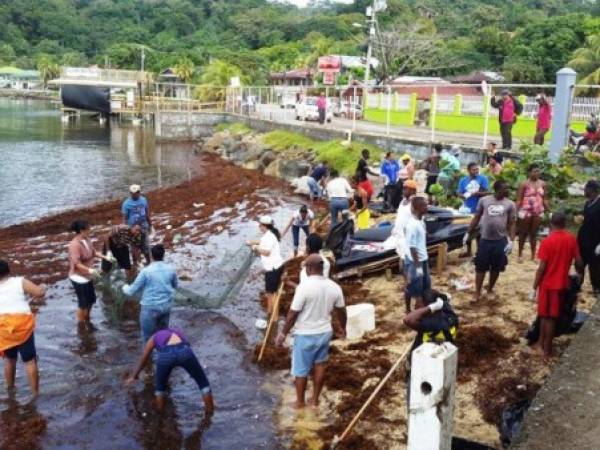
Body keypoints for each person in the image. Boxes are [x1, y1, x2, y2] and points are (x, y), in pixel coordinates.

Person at [275, 254, 347, 409]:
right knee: (319, 365)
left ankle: (300, 402)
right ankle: (314, 401)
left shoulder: (304, 288)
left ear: (309, 268)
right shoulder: (334, 287)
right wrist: (343, 328)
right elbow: (342, 311)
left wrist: (282, 334)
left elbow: (292, 314)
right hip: (324, 333)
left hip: (305, 334)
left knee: (300, 370)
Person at [125, 328, 215, 413]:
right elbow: (187, 349)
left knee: (160, 390)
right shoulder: (178, 332)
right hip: (184, 351)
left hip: (166, 355)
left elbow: (144, 358)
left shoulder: (154, 337)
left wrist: (134, 376)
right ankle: (209, 414)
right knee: (203, 384)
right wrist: (193, 372)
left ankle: (159, 416)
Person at [532, 212, 583, 361]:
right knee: (546, 315)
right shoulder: (571, 239)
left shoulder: (547, 242)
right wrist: (579, 276)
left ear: (551, 224)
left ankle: (546, 349)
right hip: (562, 284)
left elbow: (541, 268)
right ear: (564, 224)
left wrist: (534, 287)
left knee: (549, 317)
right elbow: (579, 261)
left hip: (548, 284)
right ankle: (540, 343)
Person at [0, 260, 46, 396]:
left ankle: (10, 390)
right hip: (22, 326)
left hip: (3, 327)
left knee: (9, 359)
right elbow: (38, 293)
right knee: (29, 360)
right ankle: (35, 394)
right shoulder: (19, 282)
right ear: (9, 270)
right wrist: (43, 286)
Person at [466, 180, 516, 302]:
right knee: (480, 267)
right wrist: (468, 232)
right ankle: (477, 292)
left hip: (500, 240)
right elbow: (477, 217)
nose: (507, 191)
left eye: (508, 189)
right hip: (485, 239)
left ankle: (490, 289)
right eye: (505, 188)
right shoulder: (484, 200)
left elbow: (512, 223)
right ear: (497, 189)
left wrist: (511, 240)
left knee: (496, 267)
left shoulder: (510, 204)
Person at [123, 244, 178, 344]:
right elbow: (175, 285)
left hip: (150, 308)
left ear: (151, 256)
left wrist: (124, 287)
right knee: (163, 335)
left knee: (147, 337)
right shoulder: (171, 269)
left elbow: (131, 291)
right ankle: (163, 356)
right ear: (163, 255)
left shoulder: (146, 272)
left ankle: (149, 359)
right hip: (166, 306)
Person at [246, 216, 284, 319]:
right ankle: (269, 311)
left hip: (273, 269)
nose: (258, 226)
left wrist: (255, 248)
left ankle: (274, 317)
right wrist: (251, 242)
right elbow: (261, 242)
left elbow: (267, 252)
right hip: (276, 267)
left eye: (260, 225)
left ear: (264, 226)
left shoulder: (269, 237)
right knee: (269, 292)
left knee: (271, 293)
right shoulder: (269, 235)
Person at [68, 220, 103, 327]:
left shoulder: (87, 240)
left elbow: (94, 252)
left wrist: (106, 257)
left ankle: (87, 318)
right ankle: (81, 325)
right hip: (78, 277)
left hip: (87, 276)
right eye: (88, 229)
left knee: (91, 299)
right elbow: (77, 263)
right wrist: (90, 270)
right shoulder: (74, 245)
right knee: (82, 303)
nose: (90, 230)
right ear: (82, 230)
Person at [516, 164, 550, 262]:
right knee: (523, 233)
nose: (537, 173)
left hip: (538, 211)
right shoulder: (524, 184)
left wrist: (549, 211)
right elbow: (519, 199)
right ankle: (520, 254)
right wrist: (516, 211)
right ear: (529, 172)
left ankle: (533, 255)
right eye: (534, 171)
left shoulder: (543, 184)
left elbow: (545, 199)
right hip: (525, 211)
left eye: (538, 171)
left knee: (534, 234)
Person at [404, 196, 431, 313]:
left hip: (423, 259)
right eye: (425, 205)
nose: (427, 207)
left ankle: (413, 309)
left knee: (425, 287)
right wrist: (418, 266)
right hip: (415, 262)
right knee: (415, 289)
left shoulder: (421, 221)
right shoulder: (412, 225)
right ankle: (410, 310)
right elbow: (412, 247)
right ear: (418, 208)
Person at [577, 180, 600, 295]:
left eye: (586, 189)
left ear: (592, 190)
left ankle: (596, 287)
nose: (585, 191)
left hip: (595, 241)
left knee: (594, 266)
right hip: (583, 239)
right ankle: (578, 285)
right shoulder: (587, 203)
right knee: (580, 263)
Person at [122, 184, 152, 265]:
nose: (134, 194)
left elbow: (147, 213)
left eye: (136, 192)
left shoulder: (144, 200)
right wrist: (126, 229)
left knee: (145, 245)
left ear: (139, 192)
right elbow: (124, 218)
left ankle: (149, 263)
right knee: (134, 247)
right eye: (132, 193)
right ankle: (136, 264)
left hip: (143, 225)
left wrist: (150, 224)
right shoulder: (126, 204)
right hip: (132, 228)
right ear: (130, 193)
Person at [391, 180, 418, 262]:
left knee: (409, 261)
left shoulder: (415, 203)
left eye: (406, 189)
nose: (403, 191)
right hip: (399, 236)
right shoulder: (402, 202)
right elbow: (399, 217)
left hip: (408, 238)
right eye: (403, 189)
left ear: (413, 191)